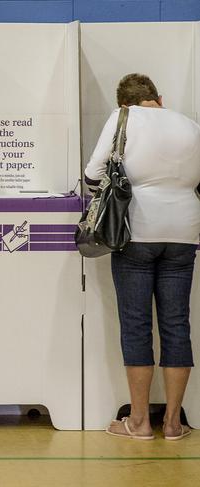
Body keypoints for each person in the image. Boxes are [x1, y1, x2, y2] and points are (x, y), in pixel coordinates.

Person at [85, 73, 200, 441]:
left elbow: (93, 173)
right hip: (184, 233)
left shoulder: (123, 118)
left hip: (136, 232)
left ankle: (138, 422)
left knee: (136, 325)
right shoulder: (190, 125)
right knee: (176, 324)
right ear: (159, 98)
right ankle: (172, 422)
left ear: (124, 103)